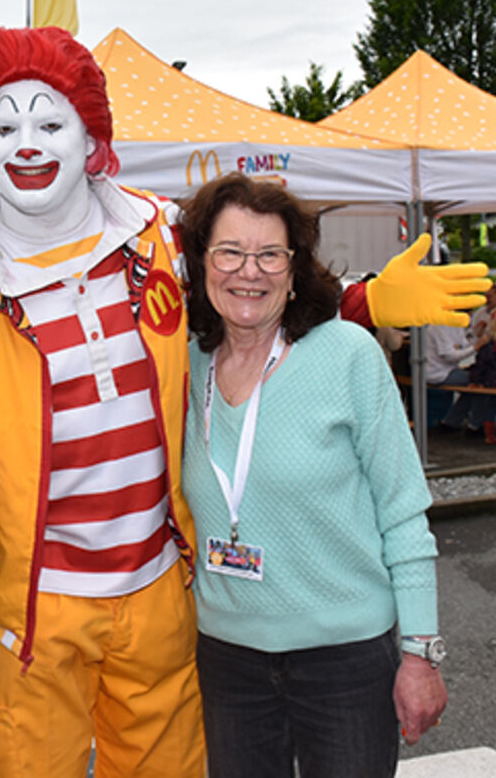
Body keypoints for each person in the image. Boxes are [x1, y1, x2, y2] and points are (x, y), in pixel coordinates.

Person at [0, 27, 483, 778]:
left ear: (90, 137)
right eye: (4, 126)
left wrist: (364, 300)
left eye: (49, 123)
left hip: (158, 589)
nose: (28, 145)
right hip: (34, 603)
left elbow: (250, 289)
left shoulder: (156, 236)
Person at [177, 172, 447, 777]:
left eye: (270, 254)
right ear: (202, 262)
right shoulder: (186, 365)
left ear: (295, 269)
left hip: (345, 661)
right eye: (230, 252)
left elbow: (403, 513)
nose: (250, 271)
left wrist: (421, 654)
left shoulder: (348, 354)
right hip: (230, 659)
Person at [444, 306, 496, 444]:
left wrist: (475, 380)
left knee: (492, 405)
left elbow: (481, 365)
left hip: (492, 381)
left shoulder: (489, 344)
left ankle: (489, 435)